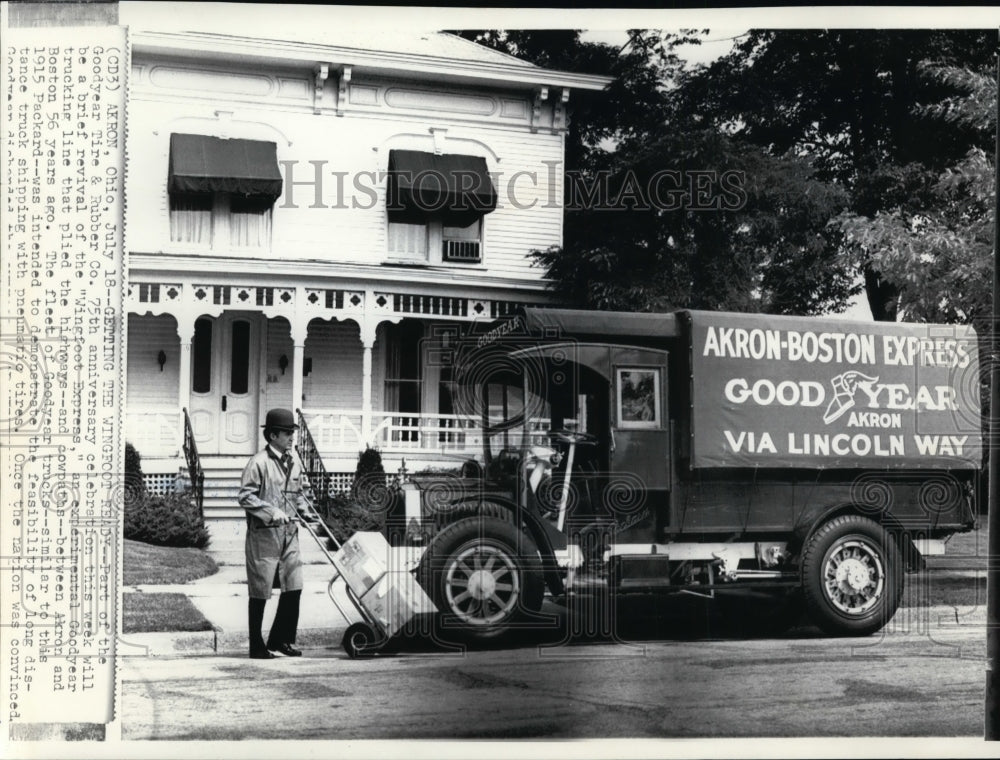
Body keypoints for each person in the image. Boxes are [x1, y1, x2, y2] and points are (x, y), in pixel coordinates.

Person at [238, 408, 312, 658]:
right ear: (272, 436)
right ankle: (256, 646)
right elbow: (245, 497)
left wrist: (306, 513)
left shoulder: (294, 462)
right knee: (260, 591)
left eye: (292, 432)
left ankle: (281, 640)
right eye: (287, 433)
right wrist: (270, 511)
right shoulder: (258, 463)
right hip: (265, 536)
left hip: (290, 534)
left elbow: (298, 494)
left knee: (294, 586)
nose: (292, 437)